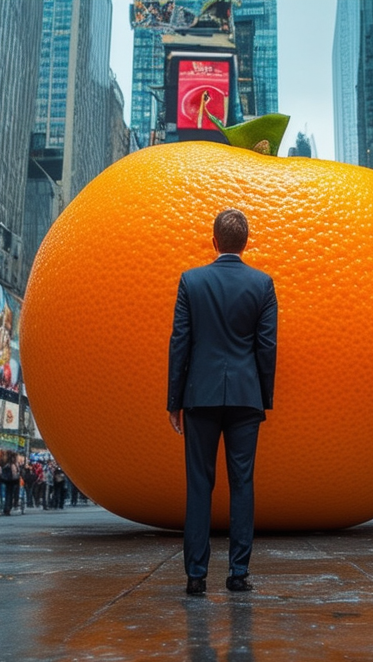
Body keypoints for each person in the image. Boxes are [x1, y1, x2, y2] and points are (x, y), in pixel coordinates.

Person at [167, 208, 278, 596]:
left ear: (214, 242)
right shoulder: (263, 285)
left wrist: (173, 401)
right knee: (242, 483)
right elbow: (267, 347)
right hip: (246, 397)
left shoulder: (191, 281)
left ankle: (196, 575)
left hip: (200, 395)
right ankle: (238, 573)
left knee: (199, 483)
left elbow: (180, 342)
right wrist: (263, 396)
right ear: (245, 243)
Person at [0, 450, 22, 515]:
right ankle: (8, 508)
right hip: (12, 481)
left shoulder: (5, 463)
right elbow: (14, 473)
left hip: (6, 480)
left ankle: (6, 508)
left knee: (7, 494)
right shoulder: (13, 464)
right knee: (11, 495)